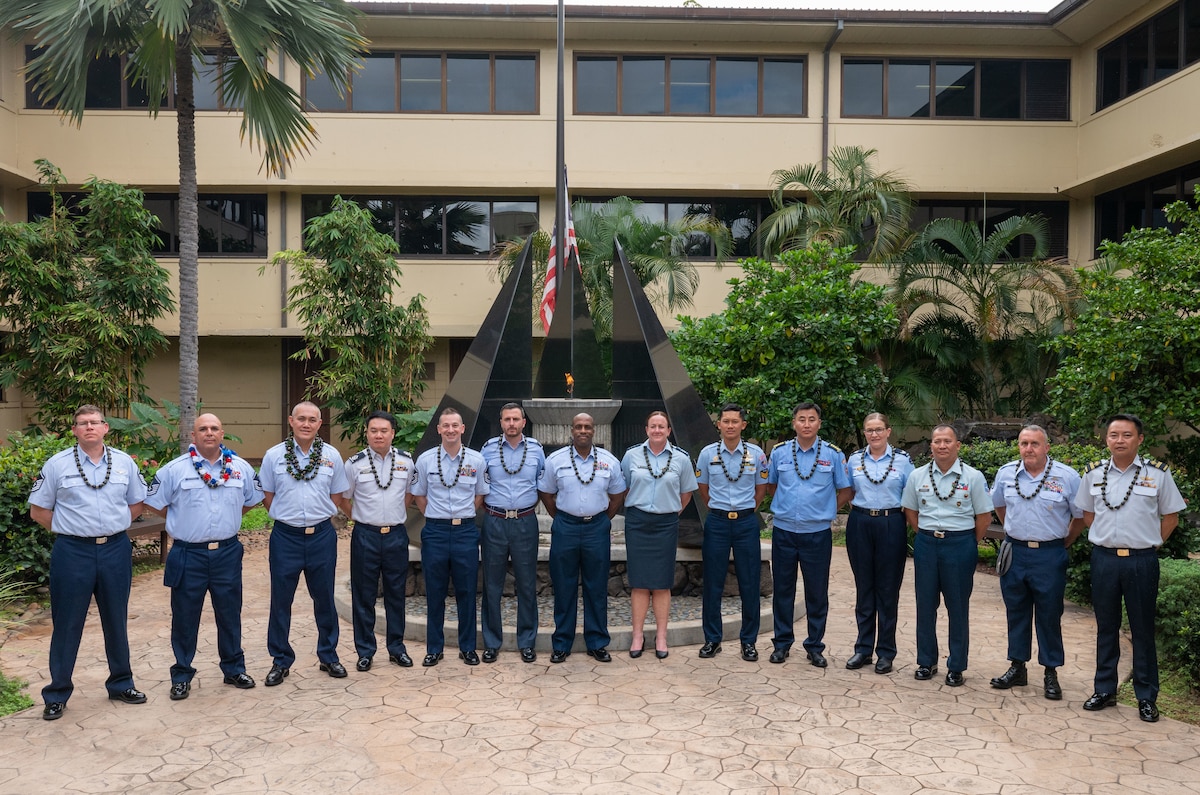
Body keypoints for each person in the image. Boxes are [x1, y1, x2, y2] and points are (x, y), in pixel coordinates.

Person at [30, 405, 148, 720]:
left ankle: (121, 683)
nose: (89, 427)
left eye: (95, 422)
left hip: (114, 549)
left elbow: (137, 503)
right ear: (75, 430)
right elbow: (39, 511)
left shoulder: (124, 463)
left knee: (115, 618)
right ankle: (57, 694)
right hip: (73, 553)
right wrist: (73, 529)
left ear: (106, 427)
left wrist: (113, 524)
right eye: (83, 423)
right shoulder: (57, 466)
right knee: (67, 623)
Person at [144, 413, 263, 700]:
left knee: (229, 613)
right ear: (193, 436)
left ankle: (234, 668)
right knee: (185, 617)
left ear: (223, 434)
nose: (209, 433)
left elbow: (250, 501)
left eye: (214, 428)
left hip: (226, 553)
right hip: (189, 554)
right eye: (203, 429)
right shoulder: (174, 470)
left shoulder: (241, 469)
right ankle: (182, 674)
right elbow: (155, 504)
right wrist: (181, 521)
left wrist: (229, 519)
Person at [1076, 414, 1185, 723]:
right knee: (1106, 627)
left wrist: (1151, 544)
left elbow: (1171, 517)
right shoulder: (1093, 474)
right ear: (1106, 439)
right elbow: (1087, 513)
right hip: (1105, 559)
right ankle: (1104, 689)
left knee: (1142, 629)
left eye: (1126, 435)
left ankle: (1147, 697)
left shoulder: (1159, 475)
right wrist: (1107, 540)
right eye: (1114, 435)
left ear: (1139, 439)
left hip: (1141, 560)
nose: (1119, 440)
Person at [258, 401, 351, 686]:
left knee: (324, 598)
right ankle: (280, 660)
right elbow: (268, 495)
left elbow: (336, 497)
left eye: (312, 419)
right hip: (285, 537)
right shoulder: (274, 456)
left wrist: (316, 517)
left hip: (322, 536)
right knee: (281, 600)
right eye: (301, 419)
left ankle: (329, 655)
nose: (306, 424)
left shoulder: (332, 456)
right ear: (291, 421)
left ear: (320, 424)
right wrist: (290, 518)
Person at [988, 425, 1084, 700]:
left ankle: (1050, 672)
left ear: (1046, 447)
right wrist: (1012, 529)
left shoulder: (1067, 476)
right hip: (1015, 552)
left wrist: (1065, 540)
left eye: (1034, 444)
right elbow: (999, 506)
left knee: (1049, 614)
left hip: (1049, 554)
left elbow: (1079, 516)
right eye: (1023, 443)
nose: (1028, 449)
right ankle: (1017, 666)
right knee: (1016, 611)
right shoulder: (1007, 473)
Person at [901, 424, 993, 687]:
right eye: (937, 441)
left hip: (960, 545)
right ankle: (926, 661)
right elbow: (911, 512)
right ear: (931, 445)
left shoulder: (973, 477)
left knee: (958, 606)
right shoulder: (917, 476)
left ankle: (956, 666)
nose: (942, 445)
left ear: (957, 445)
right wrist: (927, 535)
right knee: (925, 605)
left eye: (947, 441)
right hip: (928, 544)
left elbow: (984, 517)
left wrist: (966, 541)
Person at [766, 402, 852, 667]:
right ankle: (781, 644)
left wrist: (826, 509)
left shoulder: (833, 454)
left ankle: (815, 646)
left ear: (819, 424)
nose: (806, 424)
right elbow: (771, 486)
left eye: (811, 419)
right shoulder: (779, 453)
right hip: (784, 532)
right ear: (794, 423)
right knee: (783, 590)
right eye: (801, 419)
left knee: (816, 592)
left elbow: (845, 490)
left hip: (817, 534)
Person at [538, 413, 627, 663]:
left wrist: (602, 520)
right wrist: (561, 518)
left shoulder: (609, 461)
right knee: (564, 586)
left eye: (588, 426)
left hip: (597, 528)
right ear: (572, 430)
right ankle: (562, 643)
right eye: (579, 426)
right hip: (565, 526)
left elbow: (618, 495)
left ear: (594, 430)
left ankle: (597, 642)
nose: (583, 430)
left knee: (596, 587)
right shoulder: (555, 460)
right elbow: (545, 492)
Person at [410, 408, 489, 667]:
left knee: (467, 591)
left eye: (455, 425)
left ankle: (468, 648)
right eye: (446, 425)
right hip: (436, 532)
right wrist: (436, 515)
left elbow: (480, 496)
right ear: (439, 429)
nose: (451, 430)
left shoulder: (476, 460)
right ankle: (434, 648)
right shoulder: (425, 460)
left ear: (463, 428)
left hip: (465, 531)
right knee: (435, 591)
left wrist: (462, 517)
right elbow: (419, 496)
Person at [621, 410, 698, 660]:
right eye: (652, 426)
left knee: (662, 582)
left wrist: (671, 513)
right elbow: (624, 488)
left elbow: (686, 493)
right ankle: (637, 635)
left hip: (666, 524)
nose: (656, 430)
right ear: (646, 430)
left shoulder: (681, 459)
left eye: (661, 426)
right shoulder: (631, 455)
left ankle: (662, 636)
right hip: (638, 523)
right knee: (639, 582)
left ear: (668, 430)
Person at [695, 403, 768, 662]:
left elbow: (761, 488)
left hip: (746, 523)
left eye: (735, 421)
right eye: (725, 421)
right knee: (713, 582)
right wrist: (719, 510)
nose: (730, 425)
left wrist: (748, 510)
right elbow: (703, 488)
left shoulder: (757, 454)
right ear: (719, 425)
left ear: (743, 425)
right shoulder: (707, 454)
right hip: (717, 522)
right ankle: (712, 639)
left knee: (749, 583)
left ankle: (748, 641)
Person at [345, 410, 415, 671]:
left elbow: (409, 494)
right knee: (364, 595)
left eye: (384, 430)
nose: (378, 435)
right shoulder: (354, 464)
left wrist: (393, 516)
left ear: (393, 433)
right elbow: (342, 498)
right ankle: (365, 650)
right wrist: (361, 518)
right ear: (367, 433)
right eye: (373, 430)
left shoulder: (407, 462)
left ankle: (397, 648)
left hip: (396, 535)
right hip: (365, 535)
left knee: (396, 593)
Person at [845, 412, 914, 675]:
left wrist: (899, 525)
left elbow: (910, 495)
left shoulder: (903, 461)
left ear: (888, 431)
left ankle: (885, 651)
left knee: (887, 591)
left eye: (878, 429)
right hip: (861, 523)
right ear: (865, 433)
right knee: (864, 589)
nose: (874, 434)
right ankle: (863, 649)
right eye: (869, 430)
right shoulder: (854, 460)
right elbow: (849, 492)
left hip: (891, 523)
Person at [479, 403, 546, 663]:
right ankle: (491, 642)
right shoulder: (487, 450)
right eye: (507, 419)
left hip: (525, 522)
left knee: (527, 584)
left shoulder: (537, 451)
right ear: (501, 422)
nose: (511, 424)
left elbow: (544, 484)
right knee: (492, 584)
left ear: (524, 421)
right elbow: (480, 484)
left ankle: (527, 641)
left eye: (515, 419)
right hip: (494, 521)